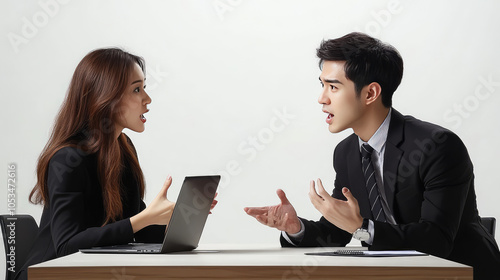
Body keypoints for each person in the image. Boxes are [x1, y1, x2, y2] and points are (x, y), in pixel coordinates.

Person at [244, 32, 500, 279]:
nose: (321, 98)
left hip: (462, 272)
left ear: (370, 93)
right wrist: (296, 228)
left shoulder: (438, 146)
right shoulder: (346, 152)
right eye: (322, 85)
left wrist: (362, 227)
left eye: (333, 87)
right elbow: (338, 230)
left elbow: (436, 240)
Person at [16, 48, 217, 280]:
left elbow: (137, 228)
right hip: (49, 275)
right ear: (105, 97)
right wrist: (142, 219)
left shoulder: (123, 147)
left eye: (144, 88)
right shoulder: (67, 159)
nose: (147, 99)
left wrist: (180, 220)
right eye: (136, 89)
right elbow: (66, 247)